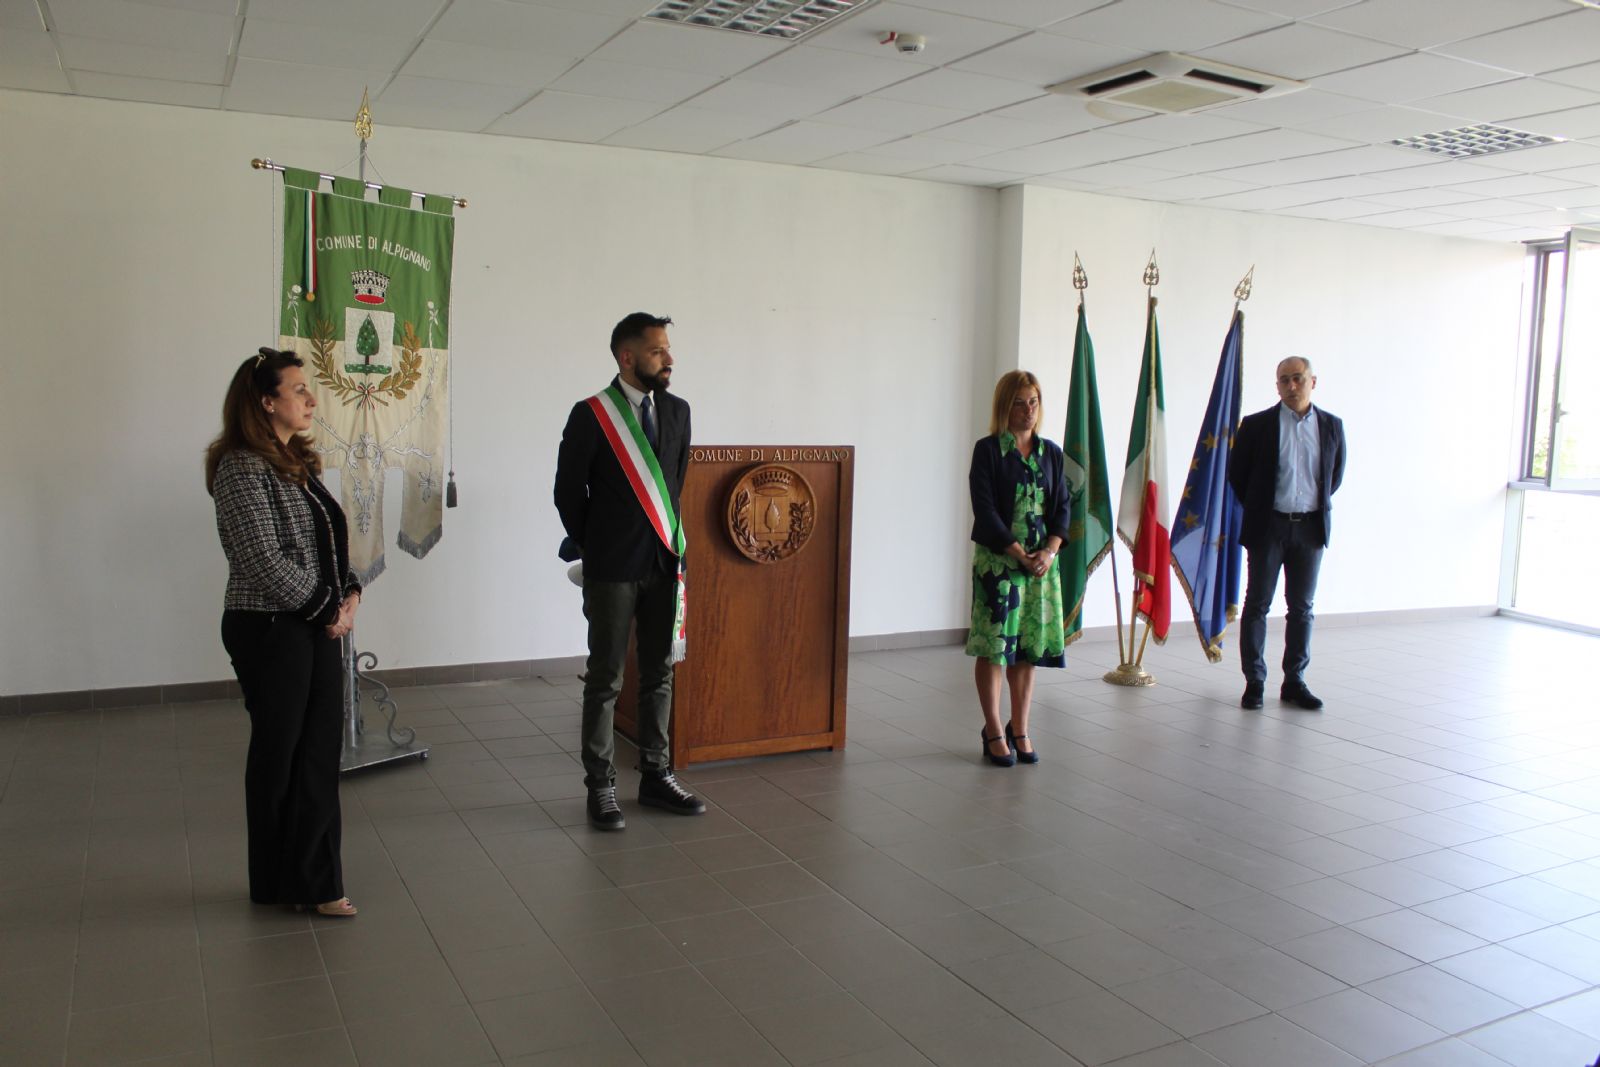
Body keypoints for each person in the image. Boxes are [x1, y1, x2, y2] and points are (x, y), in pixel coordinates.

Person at [204, 347, 361, 916]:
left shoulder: (298, 463)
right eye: (298, 389)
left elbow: (327, 540)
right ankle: (277, 882)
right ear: (266, 402)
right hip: (268, 629)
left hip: (311, 623)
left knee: (317, 752)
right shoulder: (240, 467)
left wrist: (350, 592)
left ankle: (314, 883)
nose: (310, 399)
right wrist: (328, 610)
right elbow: (262, 560)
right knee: (282, 757)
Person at [554, 313, 706, 830]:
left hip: (664, 562)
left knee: (659, 673)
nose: (669, 359)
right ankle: (601, 785)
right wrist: (597, 544)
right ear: (627, 357)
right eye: (658, 351)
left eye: (668, 349)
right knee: (606, 677)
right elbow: (567, 492)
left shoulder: (678, 411)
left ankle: (656, 775)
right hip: (613, 567)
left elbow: (674, 484)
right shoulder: (591, 415)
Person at [1228, 356, 1346, 711]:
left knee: (1302, 607)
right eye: (1284, 380)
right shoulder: (1256, 425)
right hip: (1268, 526)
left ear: (1313, 382)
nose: (1291, 386)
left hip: (1310, 528)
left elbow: (1334, 476)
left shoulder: (1332, 426)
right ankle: (1255, 681)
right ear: (1277, 385)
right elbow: (1238, 476)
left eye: (1298, 378)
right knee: (1257, 604)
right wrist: (1262, 508)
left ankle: (1295, 681)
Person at [966, 370, 1071, 767]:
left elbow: (1063, 506)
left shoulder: (1051, 453)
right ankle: (993, 729)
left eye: (1034, 402)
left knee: (1027, 650)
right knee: (995, 649)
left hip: (1041, 567)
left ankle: (1020, 727)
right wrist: (1018, 553)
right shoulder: (988, 450)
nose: (1028, 411)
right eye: (1019, 403)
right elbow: (985, 510)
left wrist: (1050, 551)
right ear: (1004, 407)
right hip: (1000, 565)